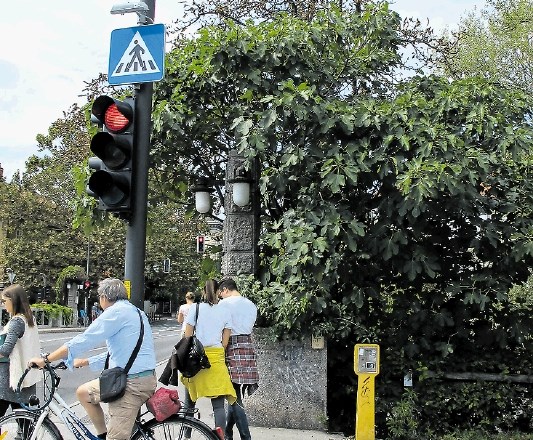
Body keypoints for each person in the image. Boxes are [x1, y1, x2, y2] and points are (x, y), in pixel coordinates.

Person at [29, 278, 157, 440]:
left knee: (117, 438)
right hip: (140, 377)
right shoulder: (136, 312)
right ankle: (102, 435)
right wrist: (85, 361)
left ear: (104, 297)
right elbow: (122, 353)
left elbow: (85, 340)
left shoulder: (115, 312)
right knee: (84, 393)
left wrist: (47, 359)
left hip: (132, 384)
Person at [181, 279, 237, 431]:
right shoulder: (225, 311)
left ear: (203, 292)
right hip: (216, 359)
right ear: (219, 291)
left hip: (196, 360)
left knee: (190, 401)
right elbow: (225, 342)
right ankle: (220, 436)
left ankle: (186, 435)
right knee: (218, 406)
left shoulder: (195, 309)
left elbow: (187, 337)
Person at [217, 278, 259, 440]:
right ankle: (228, 432)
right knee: (234, 393)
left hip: (230, 346)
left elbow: (220, 327)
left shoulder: (223, 305)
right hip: (247, 345)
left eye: (221, 294)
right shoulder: (251, 304)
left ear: (225, 289)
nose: (220, 297)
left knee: (234, 395)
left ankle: (245, 436)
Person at [0, 284, 41, 417]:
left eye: (4, 301)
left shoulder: (16, 322)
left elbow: (5, 350)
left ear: (13, 300)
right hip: (25, 376)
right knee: (24, 420)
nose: (3, 305)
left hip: (10, 379)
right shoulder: (30, 319)